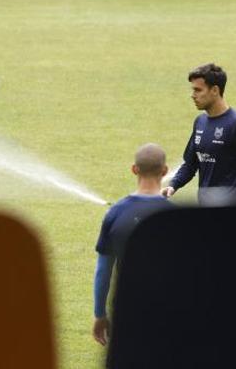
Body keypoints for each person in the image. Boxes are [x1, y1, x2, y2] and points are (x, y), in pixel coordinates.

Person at [165, 64, 236, 207]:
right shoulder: (200, 122)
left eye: (198, 90)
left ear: (215, 90)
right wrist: (173, 185)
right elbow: (190, 164)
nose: (193, 95)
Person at [92, 143, 175, 346]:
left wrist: (99, 314)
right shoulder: (177, 217)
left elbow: (103, 271)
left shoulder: (116, 212)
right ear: (164, 171)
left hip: (126, 309)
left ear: (134, 169)